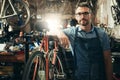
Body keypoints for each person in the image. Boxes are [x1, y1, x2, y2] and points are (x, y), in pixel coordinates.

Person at [57, 2, 113, 80]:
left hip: (99, 76)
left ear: (91, 15)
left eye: (86, 13)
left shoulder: (102, 34)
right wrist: (60, 33)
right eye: (79, 14)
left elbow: (107, 59)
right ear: (76, 17)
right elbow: (52, 31)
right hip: (79, 76)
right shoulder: (72, 32)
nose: (82, 16)